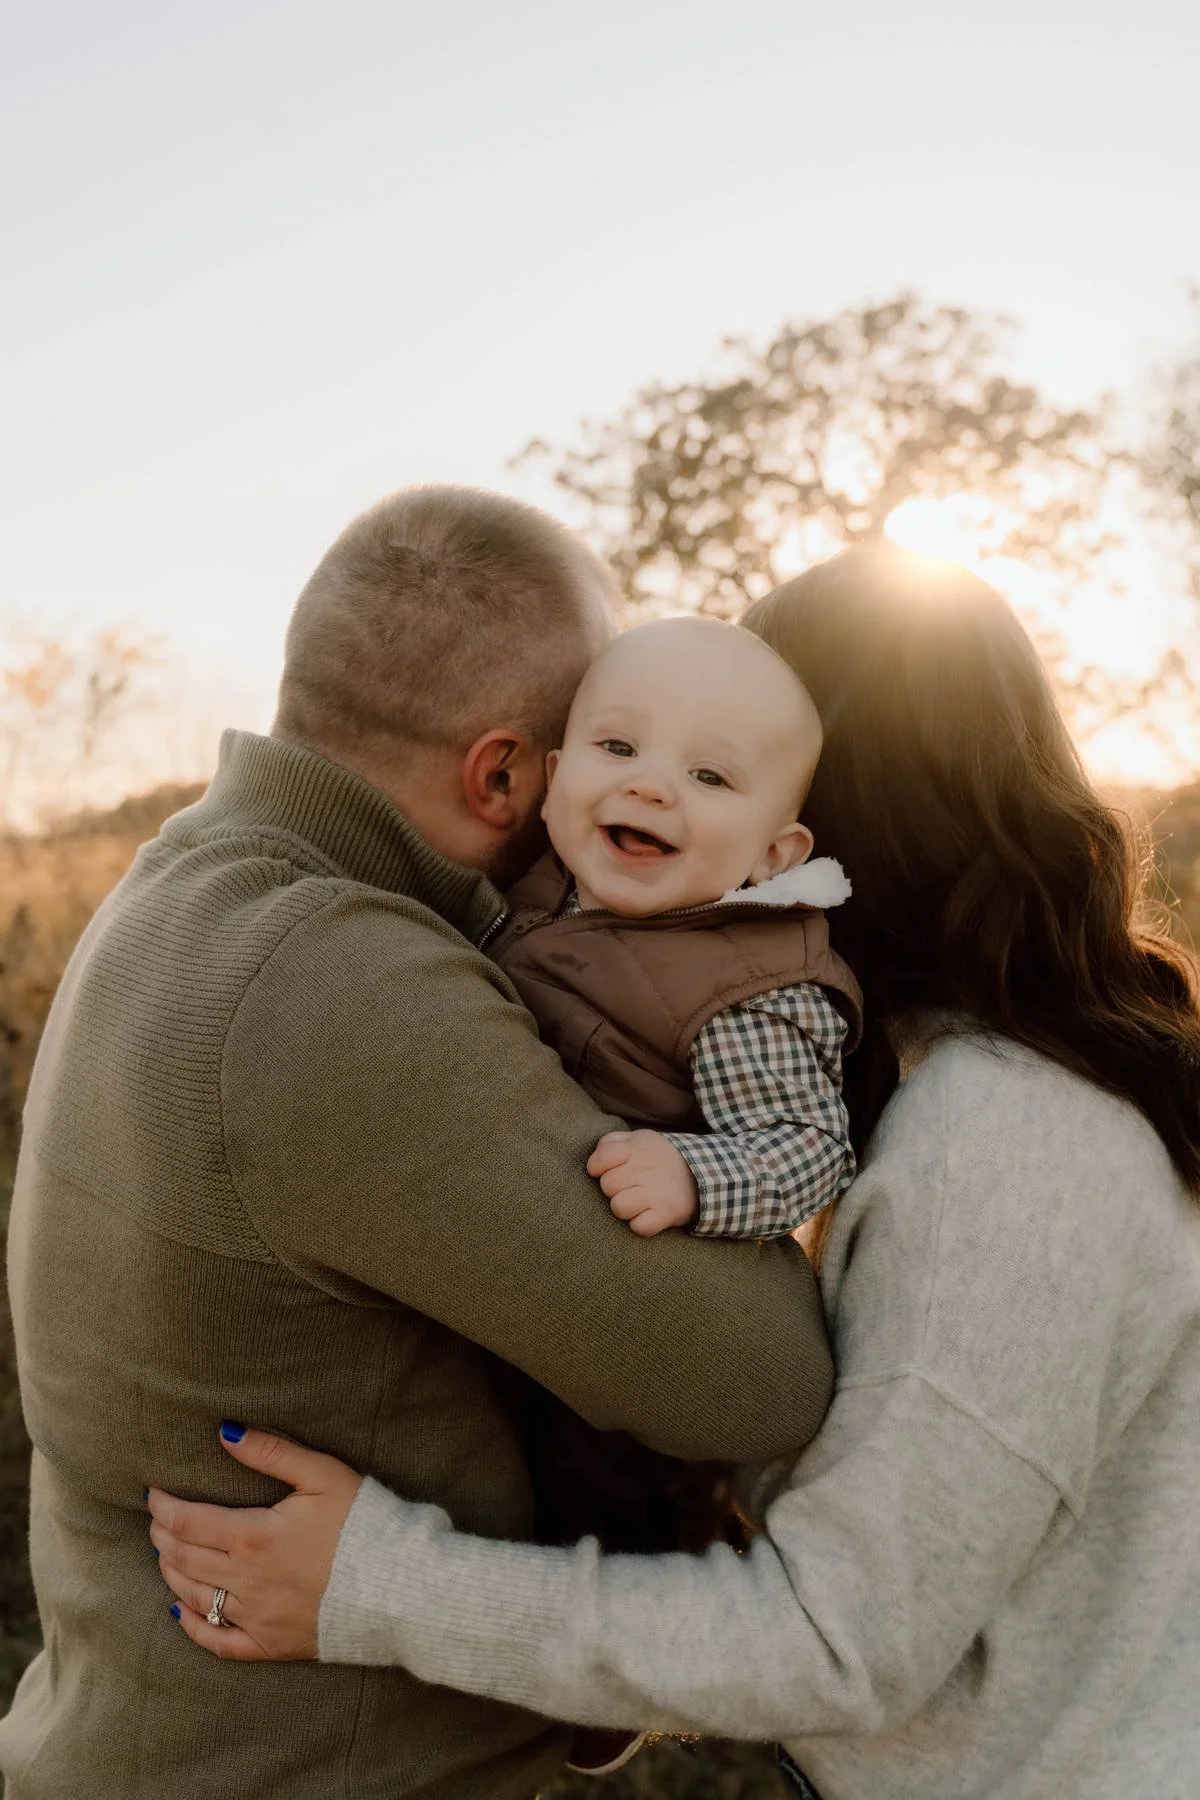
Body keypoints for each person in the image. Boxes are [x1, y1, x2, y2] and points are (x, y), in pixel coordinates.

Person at [150, 543, 1200, 1800]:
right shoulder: (920, 1083)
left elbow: (838, 1643)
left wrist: (375, 1585)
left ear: (794, 826)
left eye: (711, 763)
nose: (642, 796)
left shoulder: (1013, 1148)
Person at [0, 487, 837, 1800]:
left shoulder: (183, 878)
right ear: (502, 774)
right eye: (596, 754)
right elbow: (760, 1381)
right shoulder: (339, 986)